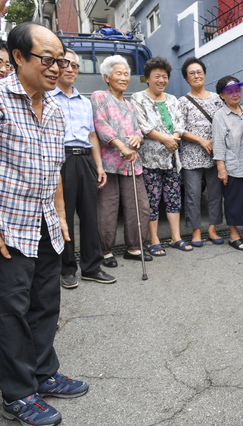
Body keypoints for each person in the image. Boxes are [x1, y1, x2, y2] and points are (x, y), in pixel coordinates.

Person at [0, 22, 89, 426]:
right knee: (11, 310)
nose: (56, 68)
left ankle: (43, 372)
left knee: (45, 302)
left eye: (61, 60)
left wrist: (59, 214)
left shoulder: (53, 107)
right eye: (47, 60)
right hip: (9, 225)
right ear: (18, 57)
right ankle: (18, 394)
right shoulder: (2, 101)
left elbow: (53, 168)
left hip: (45, 222)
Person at [52, 49, 116, 288]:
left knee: (90, 215)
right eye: (65, 64)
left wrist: (99, 166)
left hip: (86, 160)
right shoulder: (48, 98)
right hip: (61, 160)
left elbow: (92, 136)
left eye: (75, 66)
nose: (70, 69)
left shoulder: (85, 102)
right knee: (64, 215)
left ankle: (91, 267)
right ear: (55, 67)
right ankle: (67, 268)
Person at [91, 54, 152, 266]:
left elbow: (137, 129)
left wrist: (137, 137)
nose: (124, 78)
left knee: (140, 207)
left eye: (126, 74)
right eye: (119, 74)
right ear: (107, 77)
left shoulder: (131, 104)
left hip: (131, 164)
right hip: (108, 164)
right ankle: (105, 251)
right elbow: (101, 125)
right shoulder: (99, 97)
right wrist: (121, 146)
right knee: (108, 209)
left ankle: (134, 247)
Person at [132, 57, 189, 256]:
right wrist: (166, 139)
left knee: (174, 197)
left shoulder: (173, 99)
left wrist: (173, 138)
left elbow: (180, 125)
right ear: (147, 78)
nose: (161, 80)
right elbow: (143, 125)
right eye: (157, 76)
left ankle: (176, 238)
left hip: (172, 158)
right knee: (152, 199)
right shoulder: (138, 98)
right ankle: (154, 240)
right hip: (150, 159)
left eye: (164, 77)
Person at [179, 57, 225, 246]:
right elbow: (179, 129)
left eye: (199, 72)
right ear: (186, 78)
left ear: (204, 75)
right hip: (191, 156)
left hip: (215, 154)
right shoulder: (183, 101)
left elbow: (224, 121)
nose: (196, 76)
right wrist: (201, 140)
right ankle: (196, 231)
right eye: (192, 73)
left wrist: (214, 140)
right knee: (193, 195)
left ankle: (212, 229)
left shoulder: (216, 98)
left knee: (215, 194)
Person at [213, 76, 243, 250]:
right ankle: (233, 236)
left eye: (237, 90)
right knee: (234, 202)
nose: (235, 94)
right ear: (222, 95)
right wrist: (221, 168)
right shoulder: (220, 116)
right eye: (230, 91)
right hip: (233, 167)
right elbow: (218, 144)